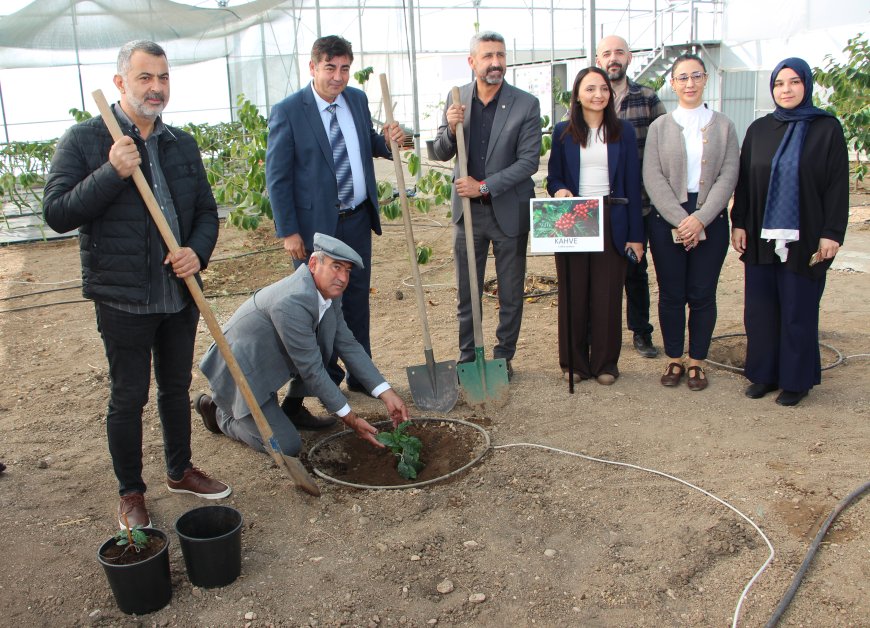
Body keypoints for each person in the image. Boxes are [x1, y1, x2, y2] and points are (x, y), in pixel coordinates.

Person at [43, 40, 231, 530]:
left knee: (175, 387)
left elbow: (206, 212)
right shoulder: (85, 140)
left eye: (163, 77)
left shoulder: (180, 144)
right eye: (145, 78)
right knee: (129, 396)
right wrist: (112, 172)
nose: (157, 88)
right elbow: (57, 212)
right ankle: (131, 493)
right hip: (124, 295)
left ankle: (179, 470)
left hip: (179, 291)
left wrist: (197, 251)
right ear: (121, 83)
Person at [265, 35, 404, 396]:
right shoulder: (289, 111)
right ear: (312, 68)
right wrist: (289, 232)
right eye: (330, 68)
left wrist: (388, 141)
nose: (338, 77)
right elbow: (277, 177)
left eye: (344, 69)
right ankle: (319, 383)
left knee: (356, 296)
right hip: (314, 230)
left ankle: (362, 375)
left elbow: (368, 143)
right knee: (316, 303)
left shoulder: (355, 100)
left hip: (356, 218)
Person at [195, 233, 410, 455]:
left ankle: (292, 409)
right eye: (336, 267)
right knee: (287, 446)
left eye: (347, 270)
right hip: (242, 372)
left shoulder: (328, 293)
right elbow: (312, 370)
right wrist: (350, 418)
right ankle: (220, 413)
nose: (343, 278)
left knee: (324, 339)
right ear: (314, 263)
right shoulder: (291, 302)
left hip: (273, 358)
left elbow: (348, 344)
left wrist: (386, 392)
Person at [730, 57, 848, 407]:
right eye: (780, 83)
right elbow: (746, 182)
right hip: (761, 232)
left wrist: (831, 233)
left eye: (794, 82)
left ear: (806, 85)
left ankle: (796, 382)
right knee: (761, 307)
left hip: (807, 234)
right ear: (772, 89)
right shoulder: (760, 129)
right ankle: (764, 375)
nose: (786, 89)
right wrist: (739, 222)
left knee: (798, 306)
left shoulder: (826, 128)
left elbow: (836, 185)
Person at [431, 31, 541, 381]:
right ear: (472, 62)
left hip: (507, 209)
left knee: (510, 293)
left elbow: (528, 162)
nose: (496, 62)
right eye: (488, 56)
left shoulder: (525, 104)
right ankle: (469, 357)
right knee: (468, 293)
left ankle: (503, 357)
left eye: (500, 55)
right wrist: (450, 128)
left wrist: (484, 186)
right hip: (468, 215)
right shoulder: (456, 99)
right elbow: (439, 151)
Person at [643, 54, 740, 391]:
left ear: (705, 80)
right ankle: (674, 357)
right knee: (671, 293)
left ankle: (697, 360)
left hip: (709, 217)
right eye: (682, 77)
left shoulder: (724, 125)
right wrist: (682, 220)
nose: (689, 83)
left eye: (695, 76)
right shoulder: (660, 127)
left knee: (702, 293)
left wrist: (699, 220)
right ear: (672, 83)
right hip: (667, 216)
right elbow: (652, 177)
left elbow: (728, 176)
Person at [547, 67, 644, 385]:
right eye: (590, 89)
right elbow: (554, 177)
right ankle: (573, 363)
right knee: (573, 293)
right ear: (577, 94)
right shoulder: (562, 132)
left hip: (611, 215)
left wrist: (636, 237)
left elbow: (632, 184)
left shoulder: (623, 132)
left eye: (603, 88)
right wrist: (559, 189)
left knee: (607, 294)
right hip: (574, 215)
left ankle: (605, 364)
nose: (598, 94)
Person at [596, 34, 667, 358]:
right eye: (607, 53)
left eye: (619, 52)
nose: (614, 58)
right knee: (600, 273)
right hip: (599, 205)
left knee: (636, 269)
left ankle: (641, 332)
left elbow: (664, 146)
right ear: (599, 60)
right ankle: (600, 334)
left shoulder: (648, 99)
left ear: (629, 58)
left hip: (639, 201)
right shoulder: (591, 98)